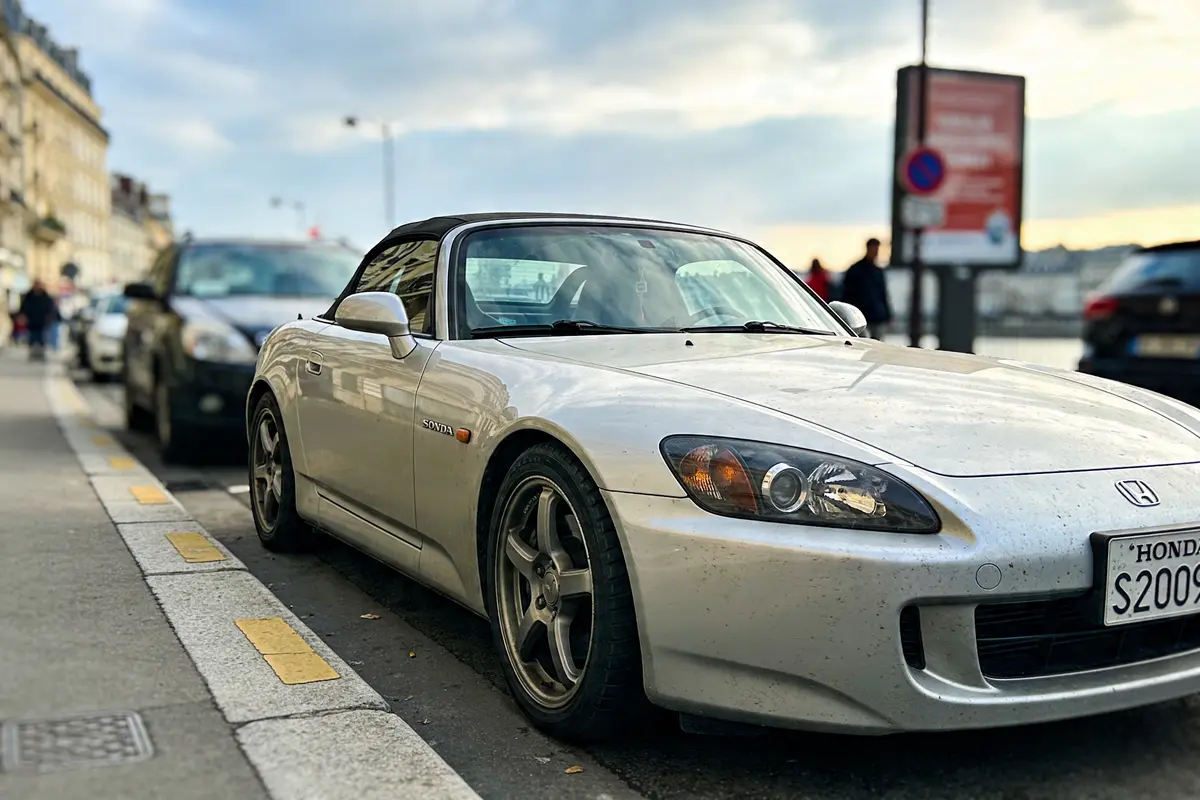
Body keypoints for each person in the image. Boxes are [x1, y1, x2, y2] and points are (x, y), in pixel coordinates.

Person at [840, 238, 891, 340]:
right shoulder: (856, 270)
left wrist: (887, 314)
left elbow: (883, 294)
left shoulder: (877, 271)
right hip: (862, 315)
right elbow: (848, 293)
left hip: (876, 316)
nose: (876, 252)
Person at [16, 279, 60, 361]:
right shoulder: (29, 296)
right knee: (32, 337)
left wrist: (50, 317)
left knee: (42, 338)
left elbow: (50, 308)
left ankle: (40, 354)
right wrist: (23, 316)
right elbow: (23, 307)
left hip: (42, 321)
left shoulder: (45, 296)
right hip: (31, 321)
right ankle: (33, 354)